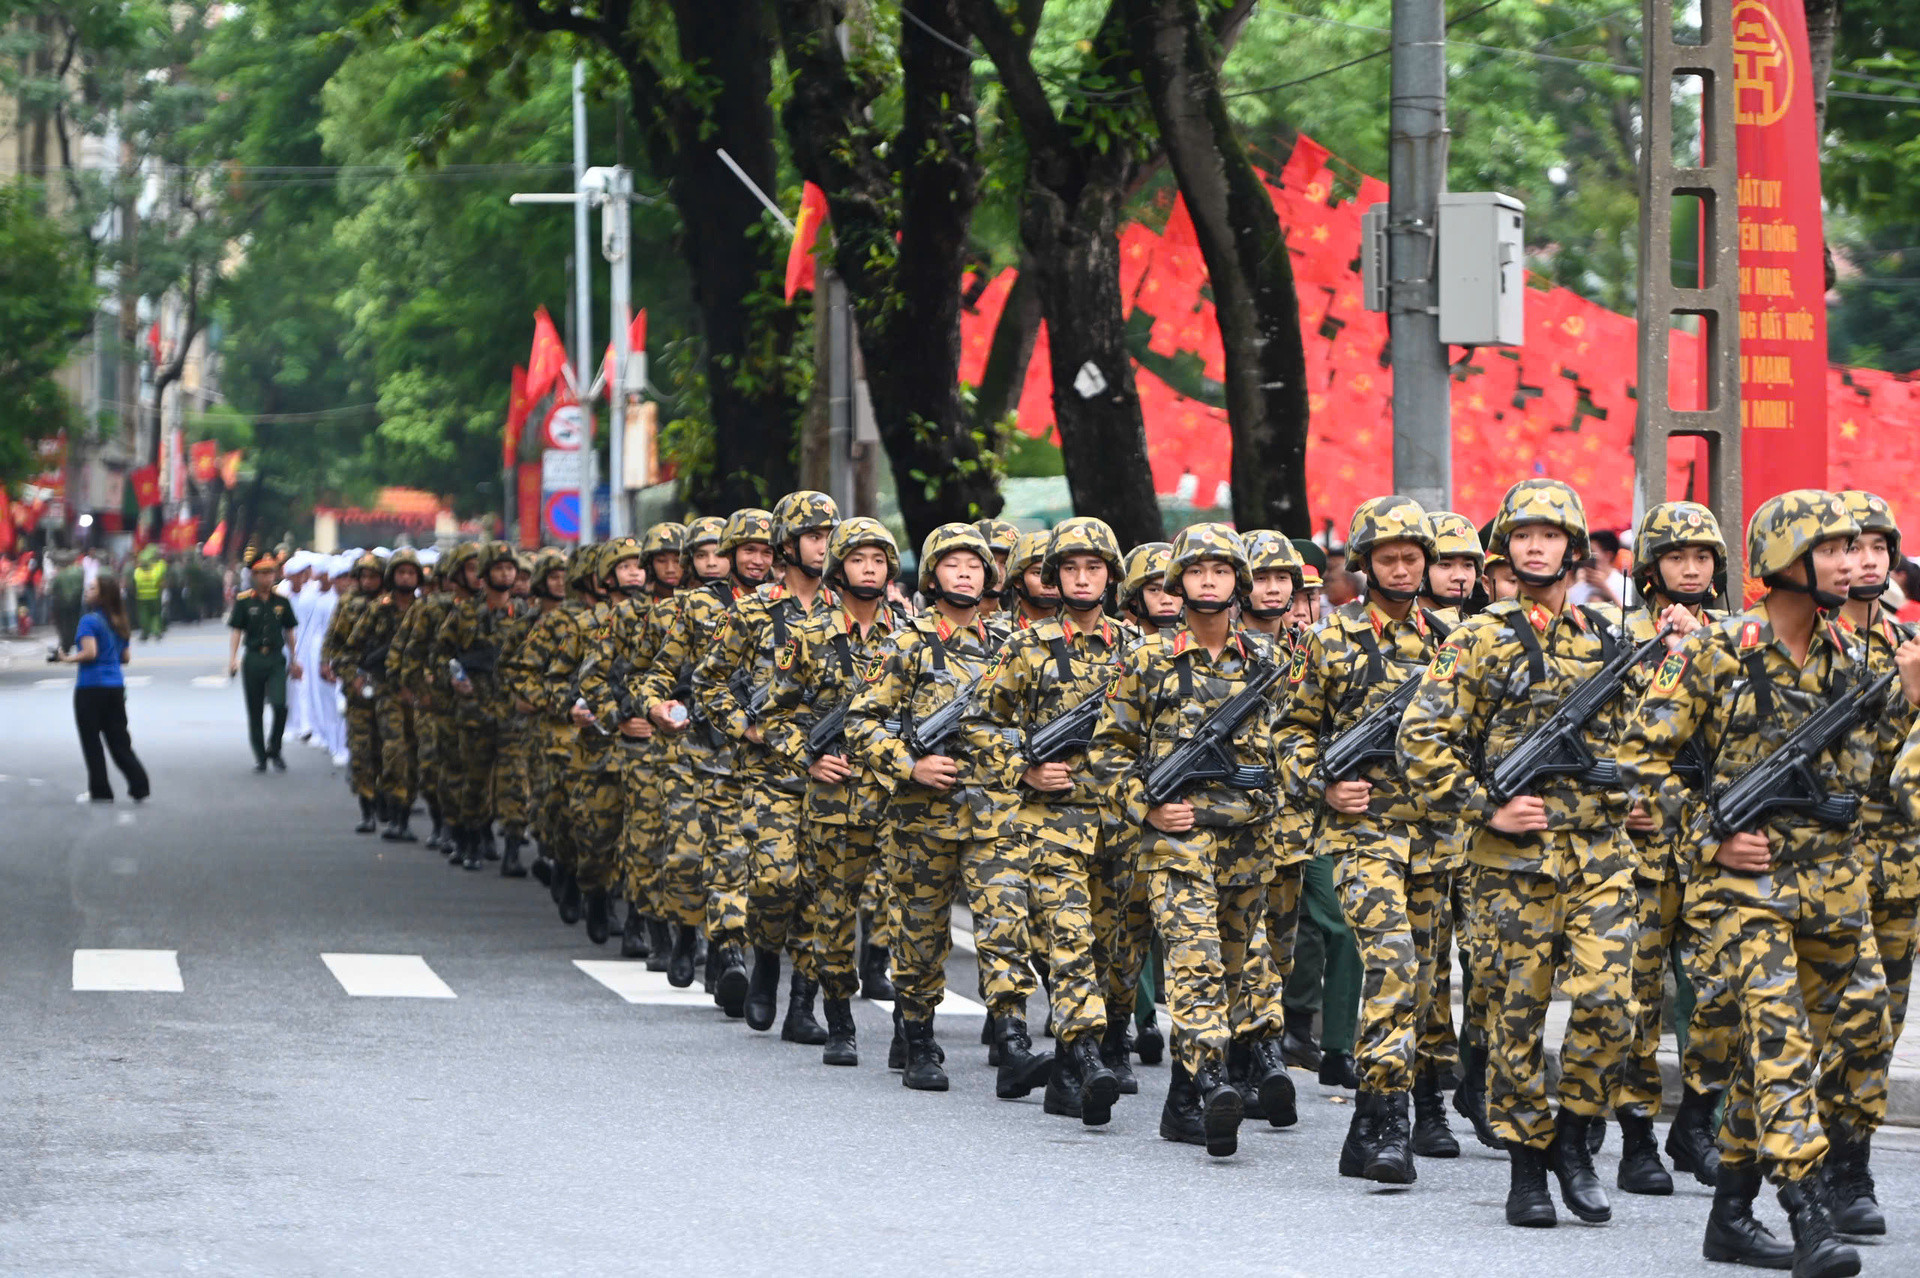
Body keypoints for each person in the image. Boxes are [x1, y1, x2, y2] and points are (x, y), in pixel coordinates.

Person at [1617, 490, 1887, 1276]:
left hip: (1832, 887)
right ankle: (1808, 1211)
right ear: (1785, 561)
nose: (1850, 562)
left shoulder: (1855, 657)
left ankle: (1730, 1216)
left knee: (1816, 1046)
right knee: (1778, 1045)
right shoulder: (1717, 650)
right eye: (1832, 549)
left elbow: (1874, 779)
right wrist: (1711, 834)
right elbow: (1639, 759)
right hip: (1744, 891)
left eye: (1853, 548)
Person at [1399, 478, 1636, 1229]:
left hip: (1598, 854)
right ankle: (1527, 1166)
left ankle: (1574, 1135)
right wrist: (1486, 806)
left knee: (1612, 1003)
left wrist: (1642, 793)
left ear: (1574, 547)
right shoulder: (1478, 638)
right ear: (1507, 549)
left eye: (1550, 535)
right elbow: (1421, 739)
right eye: (1524, 536)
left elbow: (1650, 740)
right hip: (1511, 863)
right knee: (1514, 1017)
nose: (1536, 547)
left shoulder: (1609, 640)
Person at [1088, 523, 1285, 1159]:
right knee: (1194, 961)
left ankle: (1180, 1099)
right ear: (1179, 581)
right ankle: (1210, 1082)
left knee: (1231, 969)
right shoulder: (1148, 660)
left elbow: (1295, 745)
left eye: (1220, 571)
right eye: (1197, 571)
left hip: (1248, 841)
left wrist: (1279, 798)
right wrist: (1146, 806)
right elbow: (1107, 752)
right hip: (1177, 842)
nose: (1208, 581)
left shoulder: (1269, 663)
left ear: (1237, 582)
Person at [847, 522, 1046, 1096]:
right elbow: (860, 723)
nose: (964, 574)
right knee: (920, 933)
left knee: (1006, 925)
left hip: (996, 811)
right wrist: (910, 765)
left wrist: (1028, 765)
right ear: (932, 577)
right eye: (952, 564)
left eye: (975, 565)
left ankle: (1012, 1042)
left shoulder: (1011, 645)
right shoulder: (905, 644)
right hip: (923, 817)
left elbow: (1034, 719)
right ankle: (917, 1036)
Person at [700, 492, 841, 1041]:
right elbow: (710, 682)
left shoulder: (847, 609)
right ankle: (764, 957)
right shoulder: (752, 610)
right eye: (814, 537)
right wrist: (748, 729)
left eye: (830, 537)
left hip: (833, 770)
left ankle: (802, 1003)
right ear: (787, 545)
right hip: (769, 771)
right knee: (775, 880)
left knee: (820, 890)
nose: (824, 547)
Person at [57, 574, 150, 803]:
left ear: (102, 596)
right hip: (115, 687)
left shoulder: (88, 621)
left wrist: (66, 659)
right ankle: (139, 784)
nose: (87, 591)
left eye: (92, 588)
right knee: (119, 740)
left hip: (90, 687)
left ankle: (100, 791)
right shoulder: (119, 621)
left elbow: (90, 653)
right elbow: (125, 657)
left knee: (91, 740)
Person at [227, 550, 303, 772]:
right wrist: (232, 659)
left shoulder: (282, 602)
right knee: (255, 710)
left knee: (280, 705)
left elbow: (289, 631)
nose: (267, 578)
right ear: (254, 575)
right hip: (253, 658)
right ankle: (260, 756)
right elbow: (236, 631)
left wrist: (294, 659)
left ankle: (275, 748)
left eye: (270, 573)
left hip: (276, 659)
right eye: (262, 573)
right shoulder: (244, 602)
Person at [132, 546, 167, 641]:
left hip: (142, 598)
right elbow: (162, 570)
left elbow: (135, 583)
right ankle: (156, 631)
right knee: (156, 615)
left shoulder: (138, 572)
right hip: (155, 596)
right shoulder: (157, 569)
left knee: (144, 616)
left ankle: (145, 633)